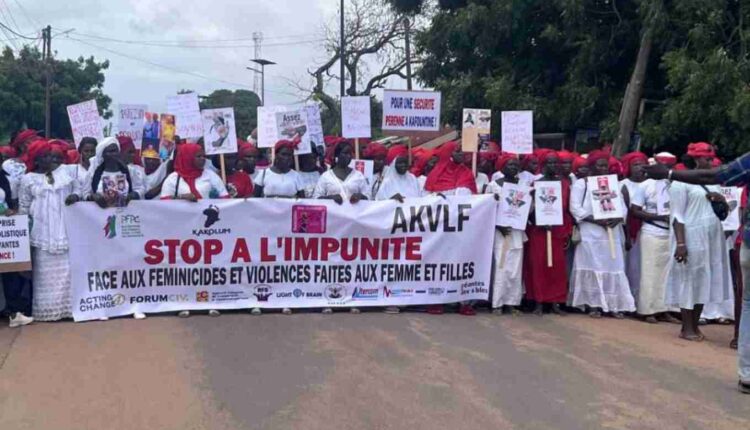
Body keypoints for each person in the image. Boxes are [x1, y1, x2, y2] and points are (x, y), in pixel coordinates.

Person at [662, 142, 732, 342]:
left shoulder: (714, 183)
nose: (711, 162)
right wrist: (681, 244)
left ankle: (696, 322)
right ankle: (686, 327)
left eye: (712, 159)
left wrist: (721, 200)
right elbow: (676, 216)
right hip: (691, 235)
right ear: (695, 159)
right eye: (707, 159)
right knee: (689, 279)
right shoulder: (680, 183)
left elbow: (724, 214)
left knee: (704, 278)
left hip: (712, 235)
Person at [19, 140, 80, 322]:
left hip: (64, 229)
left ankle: (69, 311)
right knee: (45, 275)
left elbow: (79, 188)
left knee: (68, 271)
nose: (49, 159)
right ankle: (48, 312)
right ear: (36, 160)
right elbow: (24, 207)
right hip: (42, 232)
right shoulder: (28, 179)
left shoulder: (66, 172)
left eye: (49, 154)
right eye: (44, 156)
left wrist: (75, 195)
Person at [569, 150, 634, 318]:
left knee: (613, 266)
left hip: (612, 232)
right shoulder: (582, 184)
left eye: (606, 165)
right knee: (592, 265)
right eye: (600, 165)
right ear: (592, 167)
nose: (604, 168)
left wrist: (618, 218)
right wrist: (595, 220)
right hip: (591, 232)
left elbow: (623, 207)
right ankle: (593, 304)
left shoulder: (613, 184)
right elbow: (575, 208)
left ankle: (613, 304)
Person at [314, 140, 370, 315]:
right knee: (330, 262)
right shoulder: (326, 177)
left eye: (350, 154)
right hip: (331, 227)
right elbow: (315, 199)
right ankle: (328, 299)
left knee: (351, 263)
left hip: (353, 228)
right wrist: (330, 198)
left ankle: (352, 299)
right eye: (344, 153)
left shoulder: (359, 176)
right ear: (336, 155)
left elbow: (370, 199)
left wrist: (360, 196)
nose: (347, 156)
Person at [253, 140, 304, 315]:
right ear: (276, 155)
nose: (286, 158)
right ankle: (261, 297)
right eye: (283, 154)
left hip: (289, 227)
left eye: (289, 155)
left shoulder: (296, 176)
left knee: (286, 261)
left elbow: (303, 201)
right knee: (265, 260)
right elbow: (254, 199)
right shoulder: (264, 174)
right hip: (266, 226)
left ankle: (285, 297)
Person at [630, 161, 679, 324]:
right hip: (652, 231)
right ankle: (647, 310)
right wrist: (658, 217)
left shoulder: (675, 185)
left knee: (667, 274)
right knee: (649, 271)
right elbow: (635, 210)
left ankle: (663, 309)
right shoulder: (645, 185)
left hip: (671, 233)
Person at [524, 150, 570, 315]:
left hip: (557, 231)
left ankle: (556, 301)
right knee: (538, 266)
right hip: (539, 231)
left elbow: (568, 208)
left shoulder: (564, 184)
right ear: (543, 165)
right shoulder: (536, 185)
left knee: (557, 267)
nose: (552, 165)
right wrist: (540, 221)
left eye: (555, 162)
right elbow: (529, 210)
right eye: (549, 162)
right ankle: (538, 300)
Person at [485, 154, 526, 315]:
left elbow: (526, 209)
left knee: (515, 268)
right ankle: (497, 303)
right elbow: (487, 210)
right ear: (502, 168)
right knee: (500, 267)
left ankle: (511, 302)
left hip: (516, 231)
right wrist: (498, 225)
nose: (513, 168)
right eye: (510, 165)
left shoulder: (523, 186)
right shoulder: (493, 186)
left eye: (516, 165)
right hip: (500, 233)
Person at [620, 152, 649, 302]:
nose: (639, 168)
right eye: (635, 165)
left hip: (650, 230)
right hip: (631, 231)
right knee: (631, 265)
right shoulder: (623, 185)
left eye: (642, 164)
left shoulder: (651, 183)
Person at [82, 137, 139, 209]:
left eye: (116, 151)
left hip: (124, 214)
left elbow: (140, 188)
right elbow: (85, 193)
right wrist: (93, 197)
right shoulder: (94, 172)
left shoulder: (129, 170)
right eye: (110, 151)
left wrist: (135, 194)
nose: (114, 154)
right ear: (103, 155)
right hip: (100, 216)